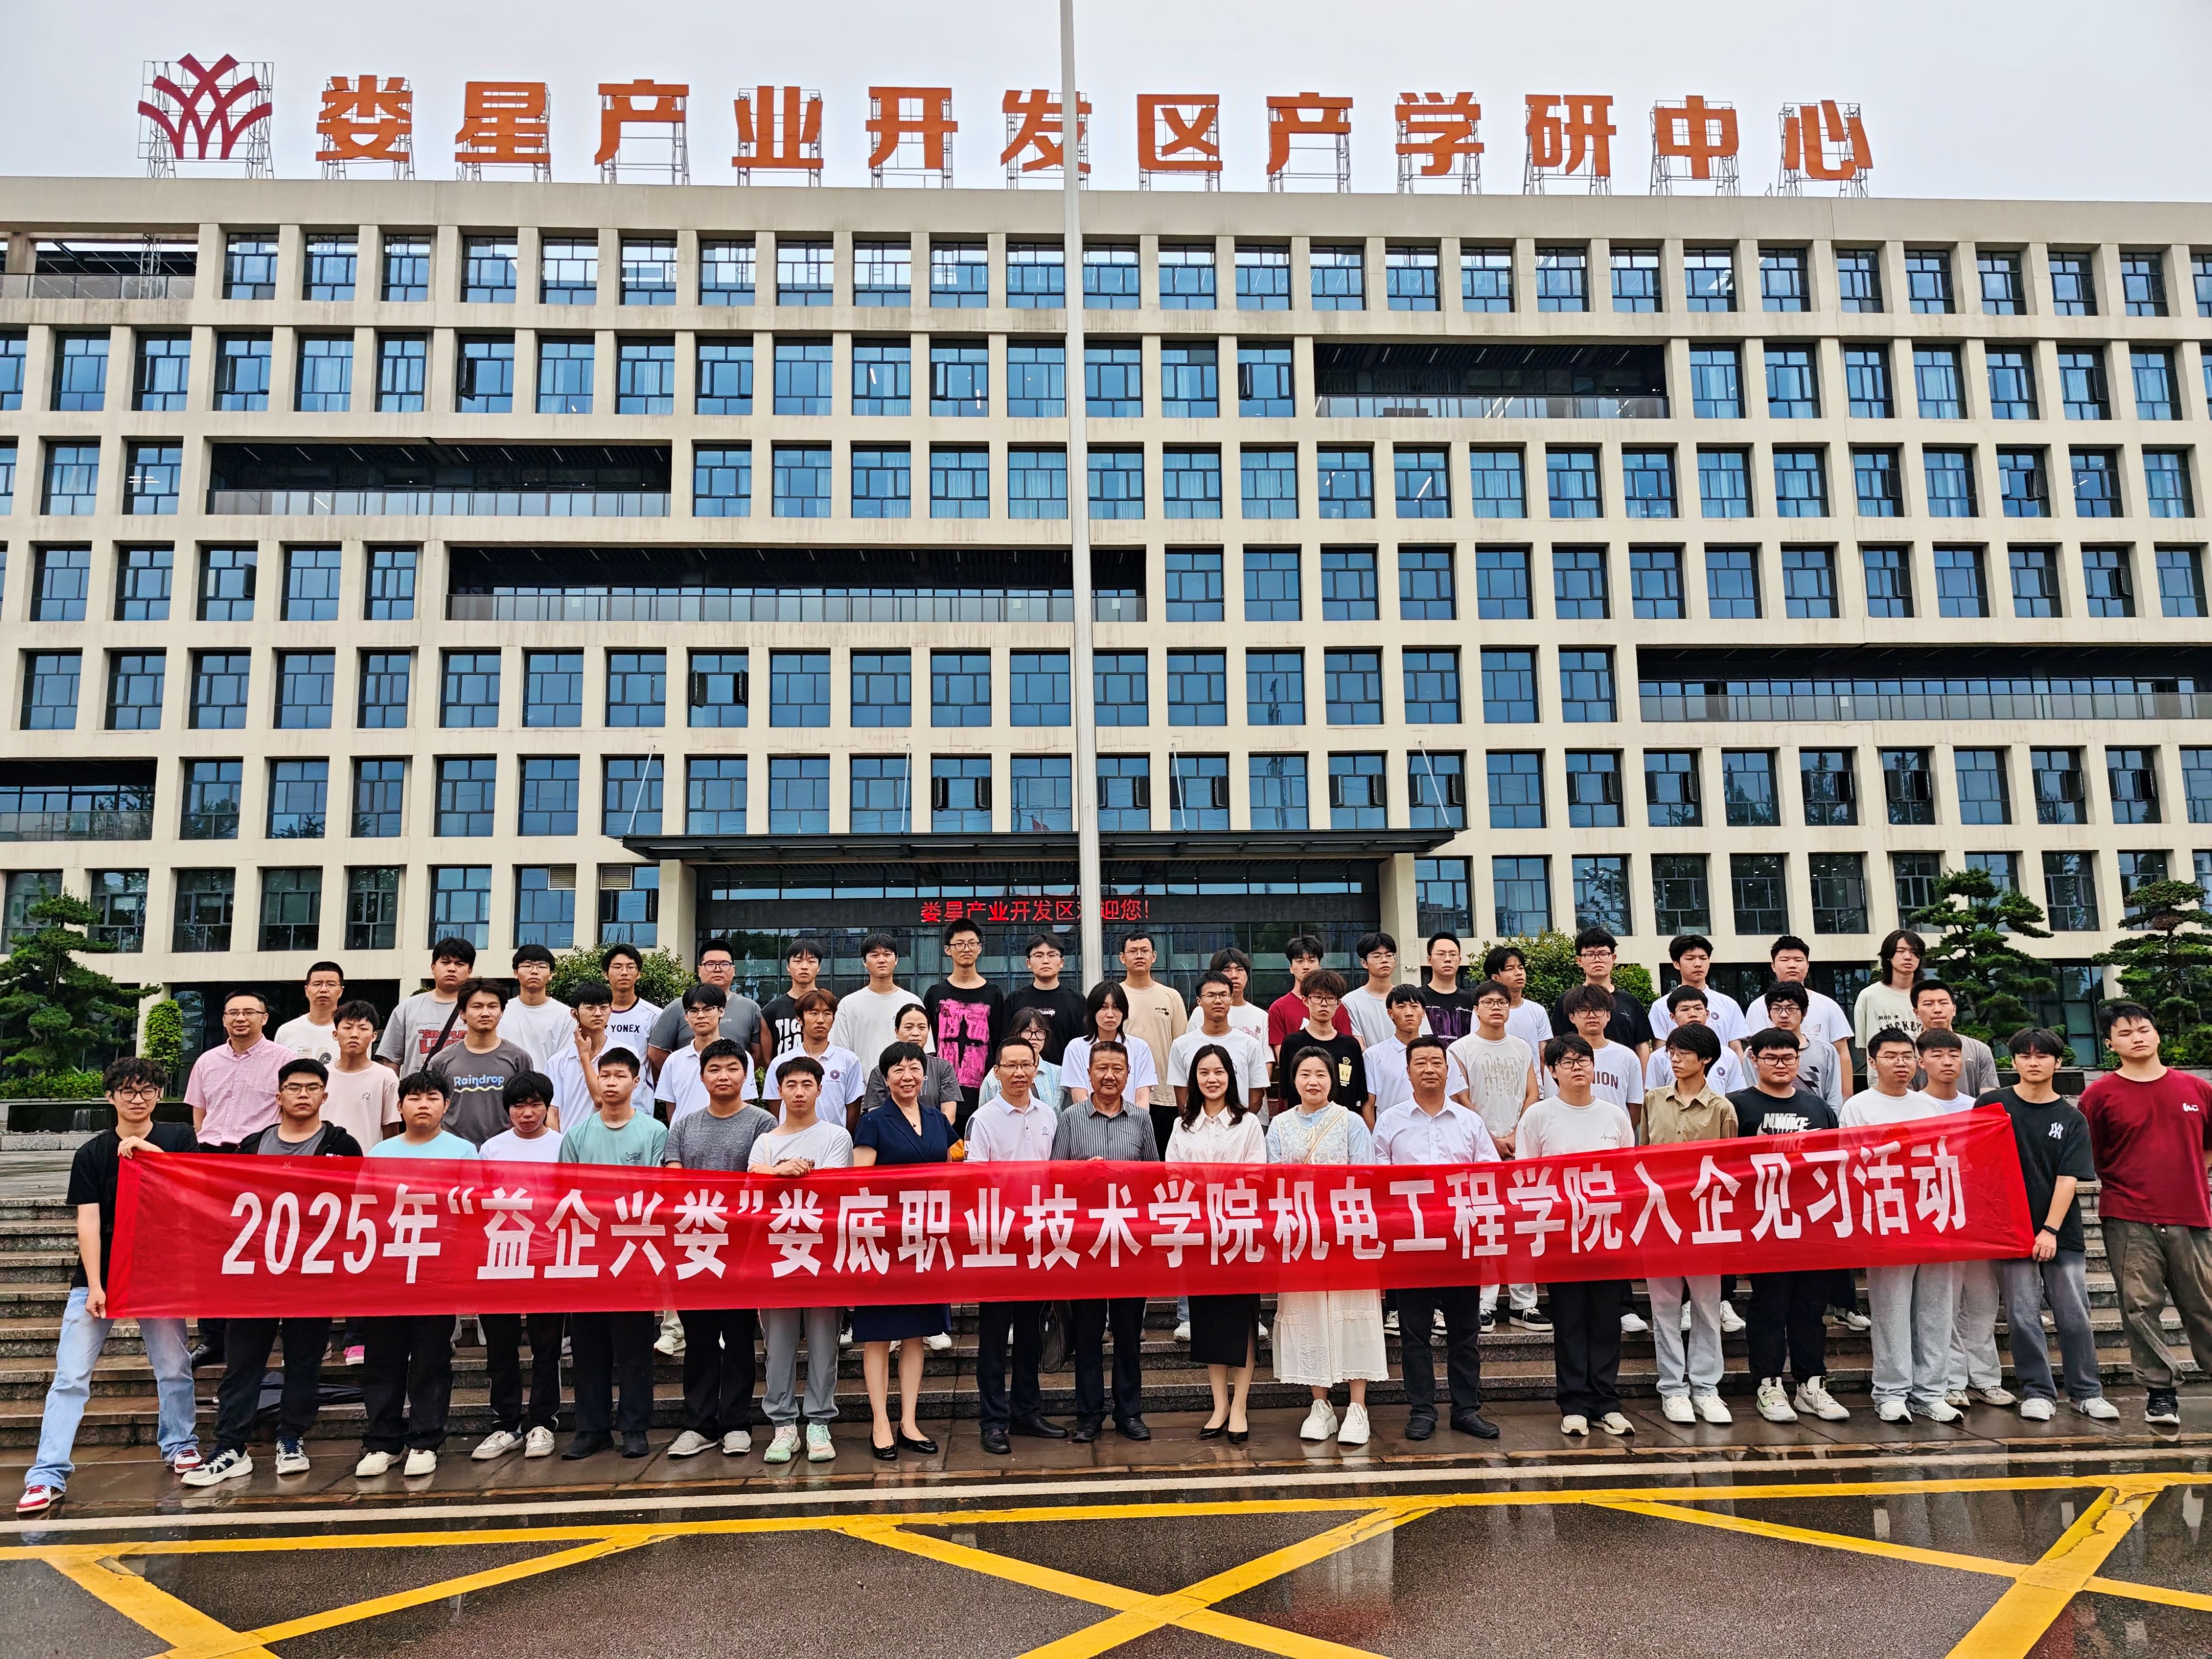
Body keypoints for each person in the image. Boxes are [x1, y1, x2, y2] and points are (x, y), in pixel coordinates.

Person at [18, 1058, 199, 1518]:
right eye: (127, 1091)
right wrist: (96, 1284)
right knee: (70, 1377)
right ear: (110, 1097)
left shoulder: (179, 1138)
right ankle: (46, 1475)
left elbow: (193, 1185)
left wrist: (147, 1151)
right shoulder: (92, 1153)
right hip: (100, 1276)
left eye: (146, 1090)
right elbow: (89, 1222)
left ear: (160, 1094)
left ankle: (180, 1444)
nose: (137, 1099)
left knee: (173, 1367)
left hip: (158, 1274)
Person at [188, 1059, 366, 1488]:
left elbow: (356, 1205)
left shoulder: (343, 1146)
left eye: (312, 1088)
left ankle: (292, 1437)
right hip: (256, 1276)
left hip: (313, 1274)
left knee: (304, 1363)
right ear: (278, 1096)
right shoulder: (252, 1146)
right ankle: (230, 1447)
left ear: (325, 1095)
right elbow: (226, 1203)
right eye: (294, 1087)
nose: (303, 1095)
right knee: (242, 1363)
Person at [2079, 1000, 2212, 1428]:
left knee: (2204, 1305)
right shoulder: (2099, 1096)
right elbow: (2091, 1155)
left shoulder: (2196, 1089)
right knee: (2140, 1307)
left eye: (2143, 1029)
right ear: (2110, 1044)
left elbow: (2208, 1147)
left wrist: (2186, 1177)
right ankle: (2160, 1392)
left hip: (2191, 1214)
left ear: (2157, 1034)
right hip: (2128, 1217)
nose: (2136, 1038)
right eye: (2124, 1033)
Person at [1374, 1036, 1501, 1441]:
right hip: (1411, 1244)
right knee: (1415, 1334)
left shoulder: (1469, 1122)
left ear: (1449, 1071)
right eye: (1421, 1063)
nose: (1429, 1069)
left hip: (1461, 1241)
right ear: (1408, 1071)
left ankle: (1466, 1410)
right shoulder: (1390, 1121)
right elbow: (1378, 1183)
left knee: (1465, 1333)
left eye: (1437, 1062)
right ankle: (1422, 1410)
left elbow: (1489, 1176)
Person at [1992, 1027, 2118, 1423]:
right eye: (2025, 1055)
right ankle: (2037, 1392)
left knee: (2074, 1313)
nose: (2034, 1062)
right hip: (2009, 1230)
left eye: (2042, 1055)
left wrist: (2049, 1230)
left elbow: (2068, 1178)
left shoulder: (2071, 1118)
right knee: (2021, 1315)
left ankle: (2087, 1392)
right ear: (2013, 1061)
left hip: (2061, 1230)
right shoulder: (1992, 1105)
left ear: (2058, 1062)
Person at [355, 1073, 477, 1479]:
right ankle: (383, 1441)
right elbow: (364, 1210)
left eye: (432, 1097)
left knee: (431, 1358)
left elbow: (472, 1211)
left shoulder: (463, 1151)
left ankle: (425, 1440)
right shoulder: (380, 1153)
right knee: (383, 1359)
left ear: (446, 1105)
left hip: (436, 1272)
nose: (423, 1105)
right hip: (387, 1273)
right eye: (414, 1098)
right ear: (400, 1106)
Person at [662, 1039, 778, 1459]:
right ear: (702, 1076)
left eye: (732, 1068)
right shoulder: (684, 1125)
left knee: (740, 1338)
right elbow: (674, 1180)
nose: (723, 1076)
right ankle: (698, 1425)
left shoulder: (763, 1122)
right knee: (699, 1339)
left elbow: (763, 1180)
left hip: (743, 1248)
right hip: (695, 1246)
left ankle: (736, 1422)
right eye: (714, 1069)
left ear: (746, 1075)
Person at [1729, 1029, 1851, 1423]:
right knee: (1770, 1306)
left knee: (1810, 1308)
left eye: (1788, 1058)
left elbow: (1836, 1164)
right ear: (1754, 1059)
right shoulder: (1736, 1106)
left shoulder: (1819, 1108)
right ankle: (1768, 1385)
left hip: (1812, 1224)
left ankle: (1811, 1385)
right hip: (1763, 1225)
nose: (1781, 1065)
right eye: (1771, 1058)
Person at [1269, 1048, 1389, 1447]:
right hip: (1300, 1236)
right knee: (1308, 1316)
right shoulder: (1280, 1125)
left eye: (1321, 1074)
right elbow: (1272, 1182)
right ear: (1293, 1080)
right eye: (1305, 1074)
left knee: (1353, 1313)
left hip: (1346, 1234)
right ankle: (1320, 1404)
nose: (1313, 1081)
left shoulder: (1350, 1121)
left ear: (1333, 1080)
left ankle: (1357, 1406)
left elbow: (1366, 1176)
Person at [1519, 1036, 1637, 1437]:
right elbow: (1527, 1177)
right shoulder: (1538, 1116)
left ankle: (1606, 1402)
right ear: (1552, 1071)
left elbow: (1627, 1174)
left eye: (1583, 1060)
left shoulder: (1614, 1115)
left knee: (1606, 1321)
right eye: (1567, 1062)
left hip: (1606, 1233)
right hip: (1560, 1236)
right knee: (1569, 1321)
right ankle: (1573, 1404)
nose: (1577, 1068)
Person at [1841, 1030, 1960, 1423]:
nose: (1901, 1064)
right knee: (1891, 1309)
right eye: (1891, 1056)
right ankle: (1891, 1391)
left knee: (1936, 1309)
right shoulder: (1858, 1107)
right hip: (1886, 1220)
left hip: (1930, 1216)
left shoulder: (1930, 1107)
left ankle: (1931, 1392)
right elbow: (1851, 1165)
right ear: (1872, 1062)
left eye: (1907, 1056)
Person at [556, 1048, 667, 1459]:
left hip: (634, 1251)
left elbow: (658, 1191)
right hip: (588, 1254)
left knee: (634, 1349)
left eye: (620, 1075)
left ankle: (635, 1428)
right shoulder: (577, 1134)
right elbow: (564, 1193)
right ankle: (591, 1429)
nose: (611, 1082)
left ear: (636, 1083)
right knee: (588, 1349)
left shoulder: (654, 1131)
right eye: (604, 1075)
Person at [964, 1034, 1070, 1454]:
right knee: (993, 1334)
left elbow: (1057, 1174)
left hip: (1038, 1238)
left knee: (1031, 1331)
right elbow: (975, 1183)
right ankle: (993, 1420)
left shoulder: (1049, 1115)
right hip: (998, 1239)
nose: (1019, 1073)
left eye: (1027, 1065)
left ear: (1037, 1070)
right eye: (1010, 1065)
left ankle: (1026, 1411)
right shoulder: (983, 1119)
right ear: (996, 1071)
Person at [852, 1041, 957, 1459]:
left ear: (925, 1075)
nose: (907, 1076)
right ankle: (880, 1422)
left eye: (914, 1067)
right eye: (897, 1069)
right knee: (879, 1336)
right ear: (885, 1078)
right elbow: (860, 1182)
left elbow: (953, 1172)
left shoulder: (937, 1120)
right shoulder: (873, 1121)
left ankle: (909, 1421)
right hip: (883, 1241)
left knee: (916, 1334)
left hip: (926, 1240)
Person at [1051, 1042, 1158, 1442]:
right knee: (1088, 1334)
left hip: (1129, 1243)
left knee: (1128, 1335)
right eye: (1102, 1068)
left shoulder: (1142, 1120)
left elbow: (1154, 1178)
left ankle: (1130, 1413)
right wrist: (1084, 1173)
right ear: (1089, 1074)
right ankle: (1089, 1415)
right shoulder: (1070, 1118)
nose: (1110, 1076)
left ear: (1129, 1075)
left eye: (1118, 1069)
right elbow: (1054, 1178)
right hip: (1086, 1245)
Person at [749, 1056, 852, 1464]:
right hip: (775, 1255)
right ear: (779, 1090)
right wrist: (778, 1172)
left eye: (807, 1084)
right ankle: (784, 1425)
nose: (798, 1092)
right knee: (778, 1346)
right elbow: (752, 1184)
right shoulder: (765, 1141)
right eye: (790, 1085)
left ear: (820, 1090)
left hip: (822, 1254)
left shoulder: (836, 1136)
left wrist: (782, 1173)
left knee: (825, 1343)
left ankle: (819, 1422)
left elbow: (831, 1188)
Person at [182, 988, 291, 1370]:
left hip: (257, 1158)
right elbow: (199, 1112)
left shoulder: (285, 1061)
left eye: (249, 1012)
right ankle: (213, 1336)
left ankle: (250, 1334)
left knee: (254, 1246)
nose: (240, 1018)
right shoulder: (207, 1061)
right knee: (212, 1249)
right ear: (224, 1019)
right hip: (212, 1158)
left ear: (265, 1018)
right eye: (233, 1013)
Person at [1167, 1042, 1268, 1444]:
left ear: (1231, 1077)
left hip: (1239, 1233)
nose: (1212, 1079)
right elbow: (1173, 1175)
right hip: (1199, 1235)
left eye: (1219, 1072)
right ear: (1194, 1079)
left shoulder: (1248, 1124)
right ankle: (1219, 1405)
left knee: (1242, 1320)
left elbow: (1256, 1176)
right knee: (1208, 1321)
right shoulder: (1183, 1125)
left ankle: (1240, 1405)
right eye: (1204, 1073)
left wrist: (1210, 1184)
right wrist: (1207, 1186)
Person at [1639, 1025, 1736, 1427]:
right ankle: (1672, 1388)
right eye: (1672, 1053)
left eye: (1684, 1053)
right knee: (1663, 1309)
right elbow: (1642, 1156)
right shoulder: (1653, 1100)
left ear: (1706, 1059)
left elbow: (1730, 1169)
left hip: (1704, 1220)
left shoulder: (1722, 1109)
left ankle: (1706, 1387)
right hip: (1660, 1217)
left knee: (1707, 1308)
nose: (1675, 1059)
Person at [1914, 1029, 2014, 1412]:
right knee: (1945, 1304)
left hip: (1980, 1215)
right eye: (1937, 1055)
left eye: (1954, 1055)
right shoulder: (1915, 1107)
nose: (1947, 1062)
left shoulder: (1981, 1107)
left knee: (1984, 1302)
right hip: (1937, 1215)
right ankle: (1952, 1380)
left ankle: (1986, 1378)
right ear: (1922, 1061)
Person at [473, 1072, 568, 1460]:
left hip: (548, 1257)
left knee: (547, 1347)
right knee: (501, 1347)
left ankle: (543, 1421)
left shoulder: (563, 1145)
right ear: (507, 1109)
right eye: (519, 1106)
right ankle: (506, 1423)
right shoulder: (492, 1149)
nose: (527, 1114)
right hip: (501, 1257)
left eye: (535, 1105)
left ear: (547, 1107)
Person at [1447, 978, 1545, 1334]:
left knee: (1522, 1227)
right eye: (1488, 1002)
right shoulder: (1460, 1049)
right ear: (1476, 1009)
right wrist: (1491, 1139)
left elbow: (1533, 1093)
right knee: (1484, 1226)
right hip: (1478, 1149)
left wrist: (1515, 1135)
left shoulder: (1522, 1047)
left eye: (1501, 1002)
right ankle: (1485, 1303)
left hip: (1519, 1147)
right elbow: (1460, 1099)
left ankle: (1524, 1303)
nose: (1496, 1008)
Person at [425, 978, 535, 1145]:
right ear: (462, 1013)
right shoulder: (441, 1061)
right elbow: (432, 1109)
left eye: (492, 1006)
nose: (485, 1013)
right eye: (477, 1007)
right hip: (455, 1150)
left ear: (501, 1012)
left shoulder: (519, 1058)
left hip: (505, 1149)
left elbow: (528, 1106)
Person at [924, 919, 1005, 1130]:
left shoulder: (994, 994)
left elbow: (999, 1042)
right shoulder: (935, 993)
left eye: (972, 943)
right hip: (943, 1097)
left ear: (980, 948)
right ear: (948, 950)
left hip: (983, 1096)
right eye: (959, 944)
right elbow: (929, 1044)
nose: (966, 949)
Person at [647, 937, 768, 1076]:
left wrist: (736, 1076)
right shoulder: (678, 1007)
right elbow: (656, 1052)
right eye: (710, 964)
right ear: (699, 970)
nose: (718, 970)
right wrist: (682, 1077)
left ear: (734, 970)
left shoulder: (750, 1008)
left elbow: (757, 1054)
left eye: (724, 964)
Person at [1744, 937, 1854, 1088]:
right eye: (1784, 960)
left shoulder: (1829, 1005)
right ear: (1773, 966)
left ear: (1807, 965)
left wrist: (1846, 1095)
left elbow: (1842, 1053)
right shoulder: (1758, 1006)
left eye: (1798, 960)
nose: (1792, 965)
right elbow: (1756, 1055)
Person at [551, 979, 658, 1128]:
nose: (598, 1014)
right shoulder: (557, 1061)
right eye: (590, 1008)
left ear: (611, 1010)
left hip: (613, 1137)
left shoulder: (626, 1054)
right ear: (574, 1013)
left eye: (604, 1007)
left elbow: (601, 1100)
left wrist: (584, 1057)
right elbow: (552, 1112)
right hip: (570, 1138)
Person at [1273, 969, 1370, 1121]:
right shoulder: (1292, 1043)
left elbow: (1359, 1096)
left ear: (1338, 1003)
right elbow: (1287, 1093)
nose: (1324, 1004)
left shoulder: (1351, 1045)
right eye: (1317, 997)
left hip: (1342, 1124)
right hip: (1302, 1124)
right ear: (1306, 1000)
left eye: (1330, 998)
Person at [1168, 971, 1270, 1115]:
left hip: (1239, 1123)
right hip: (1196, 1124)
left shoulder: (1250, 1045)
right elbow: (1182, 1098)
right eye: (1211, 995)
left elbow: (1256, 1096)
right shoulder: (1181, 1045)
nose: (1218, 1001)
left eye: (1223, 995)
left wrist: (1240, 1123)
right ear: (1199, 1001)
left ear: (1231, 999)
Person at [657, 983, 761, 1124]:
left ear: (721, 1011)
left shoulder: (741, 1058)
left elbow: (745, 1103)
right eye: (694, 1011)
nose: (701, 1016)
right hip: (684, 1136)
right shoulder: (674, 1060)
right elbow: (671, 1107)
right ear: (686, 1016)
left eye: (708, 1009)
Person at [1548, 927, 1654, 1062]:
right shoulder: (1566, 1001)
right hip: (1580, 1070)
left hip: (1623, 1070)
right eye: (1590, 955)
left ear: (1613, 958)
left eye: (1603, 954)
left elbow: (1641, 1045)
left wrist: (1642, 1075)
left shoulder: (1630, 1001)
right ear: (1579, 961)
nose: (1597, 960)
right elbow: (1559, 1044)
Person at [762, 988, 865, 1126]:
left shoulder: (849, 1061)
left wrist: (843, 1137)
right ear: (800, 1019)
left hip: (834, 1138)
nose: (821, 1020)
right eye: (814, 1013)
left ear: (833, 1020)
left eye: (827, 1014)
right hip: (792, 1138)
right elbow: (776, 1110)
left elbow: (853, 1111)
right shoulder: (781, 1062)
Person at [375, 936, 478, 1070]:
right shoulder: (407, 1008)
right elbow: (391, 1061)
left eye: (460, 964)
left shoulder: (480, 1010)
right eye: (446, 962)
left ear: (470, 971)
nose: (452, 969)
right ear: (433, 967)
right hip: (418, 1084)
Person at [1550, 984, 1645, 1124]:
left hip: (1615, 1132)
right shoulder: (1560, 1057)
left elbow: (1636, 1104)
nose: (1592, 1016)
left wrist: (1623, 1131)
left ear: (1608, 1015)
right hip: (1570, 1130)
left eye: (1598, 1009)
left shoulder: (1627, 1056)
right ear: (1572, 1017)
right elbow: (1552, 1102)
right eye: (1583, 1010)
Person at [1367, 984, 1465, 1115]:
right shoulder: (1374, 1055)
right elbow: (1368, 1105)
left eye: (1414, 1007)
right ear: (1390, 1013)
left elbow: (1454, 1097)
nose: (1409, 1013)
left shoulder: (1442, 1056)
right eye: (1401, 1007)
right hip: (1393, 1126)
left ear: (1423, 1012)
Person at [828, 932, 923, 1066]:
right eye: (875, 955)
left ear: (896, 959)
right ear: (864, 962)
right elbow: (840, 1053)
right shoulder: (848, 1004)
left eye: (887, 954)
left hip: (905, 1077)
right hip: (862, 1079)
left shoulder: (913, 1002)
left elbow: (923, 1050)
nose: (881, 960)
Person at [860, 1001, 963, 1124]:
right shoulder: (880, 1071)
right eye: (909, 1027)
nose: (915, 1033)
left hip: (935, 1133)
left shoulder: (943, 1068)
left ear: (929, 1031)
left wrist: (929, 1132)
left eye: (922, 1028)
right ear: (897, 1032)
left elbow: (949, 1115)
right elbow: (875, 1117)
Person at [1646, 935, 1748, 1058]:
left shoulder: (1728, 1004)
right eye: (1690, 959)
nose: (1698, 964)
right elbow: (1660, 1051)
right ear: (1677, 964)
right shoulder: (1661, 1006)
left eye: (1703, 958)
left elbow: (1736, 1049)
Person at [1065, 982, 1159, 1110]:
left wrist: (1134, 1120)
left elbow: (1142, 1098)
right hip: (1089, 1120)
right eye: (1104, 1007)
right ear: (1093, 1011)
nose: (1110, 1014)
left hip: (1131, 1120)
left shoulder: (1140, 1048)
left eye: (1116, 1008)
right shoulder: (1076, 1048)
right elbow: (1079, 1096)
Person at [322, 998, 400, 1151]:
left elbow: (391, 1130)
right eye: (348, 1028)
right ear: (336, 1034)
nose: (354, 1035)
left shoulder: (385, 1077)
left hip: (366, 1161)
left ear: (374, 1036)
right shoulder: (321, 1076)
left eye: (363, 1029)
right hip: (323, 1161)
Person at [1115, 930, 1187, 1092]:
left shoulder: (1172, 996)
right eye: (1133, 951)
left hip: (1165, 1091)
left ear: (1154, 956)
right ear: (1122, 958)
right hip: (1124, 1090)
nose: (1139, 956)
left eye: (1144, 951)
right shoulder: (1114, 996)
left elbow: (1181, 1048)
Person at [1642, 986, 1747, 1097]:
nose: (1692, 1014)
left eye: (1698, 1008)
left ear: (1707, 1014)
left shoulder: (1728, 1055)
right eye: (1685, 1010)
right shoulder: (1660, 1057)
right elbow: (1654, 1098)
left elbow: (1735, 1097)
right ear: (1673, 1017)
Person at [1759, 981, 1844, 1111]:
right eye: (1776, 1009)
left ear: (1804, 1012)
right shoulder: (1756, 1052)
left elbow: (1834, 1099)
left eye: (1791, 1009)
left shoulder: (1826, 1051)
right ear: (1769, 1012)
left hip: (1817, 1121)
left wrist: (1828, 1121)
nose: (1784, 1015)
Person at [1911, 981, 2001, 1096]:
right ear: (1916, 1012)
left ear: (1954, 1010)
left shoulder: (1980, 1049)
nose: (1937, 1010)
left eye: (1943, 1003)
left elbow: (1989, 1095)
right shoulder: (1907, 1051)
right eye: (1929, 1004)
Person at [1267, 935, 1352, 1053]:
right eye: (1300, 961)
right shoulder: (1279, 1008)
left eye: (1312, 961)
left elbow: (1347, 1048)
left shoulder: (1335, 1005)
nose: (1306, 967)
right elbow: (1282, 1055)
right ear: (1291, 967)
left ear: (1319, 966)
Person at [498, 943, 576, 1070]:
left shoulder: (566, 1016)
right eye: (527, 966)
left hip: (548, 1083)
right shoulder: (500, 1012)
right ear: (515, 973)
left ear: (551, 975)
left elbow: (564, 1064)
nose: (534, 971)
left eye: (542, 966)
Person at [1342, 931, 1421, 1049]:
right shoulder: (1350, 1001)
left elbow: (1422, 1037)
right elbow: (1357, 1045)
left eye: (1389, 955)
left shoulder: (1409, 997)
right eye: (1377, 956)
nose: (1384, 960)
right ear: (1364, 963)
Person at [979, 1005, 1066, 1113]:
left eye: (1040, 1032)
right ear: (1016, 1034)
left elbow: (1063, 1117)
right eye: (1028, 1031)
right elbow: (986, 1115)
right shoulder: (996, 1076)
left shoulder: (1058, 1073)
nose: (1034, 1037)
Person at [1019, 933, 1089, 1063]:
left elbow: (1084, 1044)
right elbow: (1008, 1043)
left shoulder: (1077, 1001)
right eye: (1039, 956)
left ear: (1062, 962)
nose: (1046, 961)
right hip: (1024, 1072)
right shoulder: (1015, 1000)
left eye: (1052, 955)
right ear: (1028, 963)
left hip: (1067, 1073)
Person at [1854, 929, 1926, 1048]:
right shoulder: (1869, 996)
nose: (1908, 957)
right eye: (1900, 951)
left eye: (1914, 952)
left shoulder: (1930, 996)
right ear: (1888, 956)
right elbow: (1862, 1046)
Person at [1481, 943, 1556, 1056]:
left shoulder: (1538, 1011)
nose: (1519, 973)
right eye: (1510, 969)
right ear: (1496, 978)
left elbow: (1543, 1056)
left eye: (1521, 968)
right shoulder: (1484, 1011)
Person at [1187, 947, 1270, 1047]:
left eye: (1240, 970)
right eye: (1227, 970)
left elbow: (1265, 1055)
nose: (1234, 976)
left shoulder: (1262, 1017)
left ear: (1247, 975)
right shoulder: (1202, 1012)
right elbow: (1192, 1049)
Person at [761, 937, 830, 1058]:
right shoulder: (770, 1011)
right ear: (788, 966)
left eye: (811, 962)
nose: (804, 967)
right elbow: (767, 1059)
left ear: (819, 967)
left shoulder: (832, 1006)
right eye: (798, 961)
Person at [275, 960, 346, 1064]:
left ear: (341, 991)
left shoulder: (352, 1032)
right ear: (307, 990)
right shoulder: (286, 1031)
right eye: (317, 984)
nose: (323, 990)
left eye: (331, 984)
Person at [599, 943, 661, 1061]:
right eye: (617, 967)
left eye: (630, 967)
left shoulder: (654, 1015)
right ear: (606, 974)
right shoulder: (596, 1014)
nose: (624, 973)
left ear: (639, 974)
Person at [1416, 932, 1476, 1044]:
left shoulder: (1472, 1000)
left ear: (1459, 960)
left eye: (1453, 954)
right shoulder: (1416, 998)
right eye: (1441, 954)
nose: (1448, 959)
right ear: (1429, 960)